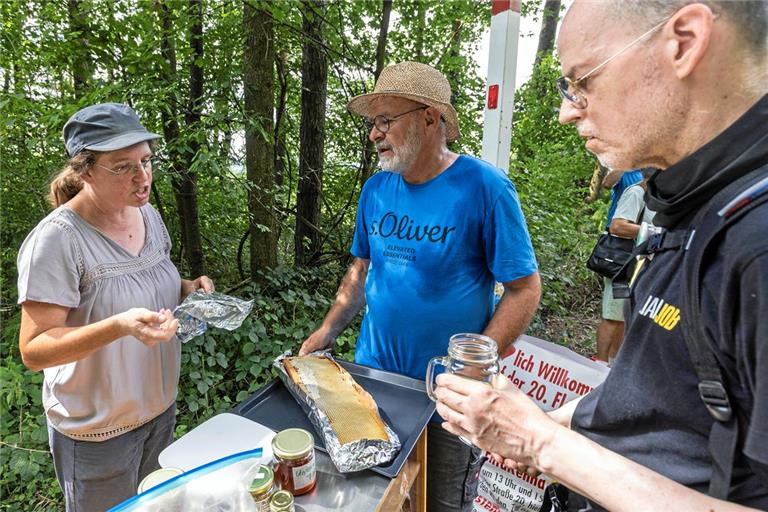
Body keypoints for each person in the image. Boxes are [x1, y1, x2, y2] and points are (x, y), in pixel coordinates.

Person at [434, 1, 767, 511]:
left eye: (582, 81)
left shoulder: (755, 241)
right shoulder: (695, 205)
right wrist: (551, 423)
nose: (568, 109)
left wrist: (541, 443)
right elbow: (660, 400)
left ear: (685, 41)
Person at [299, 61, 541, 511]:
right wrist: (327, 330)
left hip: (446, 399)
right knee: (380, 497)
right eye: (374, 123)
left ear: (431, 117)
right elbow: (361, 269)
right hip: (371, 385)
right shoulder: (376, 190)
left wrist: (474, 366)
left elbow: (525, 289)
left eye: (386, 120)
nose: (374, 133)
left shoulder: (485, 188)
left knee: (443, 503)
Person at [17, 103, 214, 511]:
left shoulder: (149, 217)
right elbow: (34, 349)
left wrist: (186, 288)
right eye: (123, 167)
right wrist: (118, 326)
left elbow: (142, 282)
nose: (143, 178)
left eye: (145, 160)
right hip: (97, 435)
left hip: (159, 413)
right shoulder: (57, 241)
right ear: (84, 171)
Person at [598, 167, 656, 364]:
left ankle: (613, 365)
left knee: (624, 315)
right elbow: (617, 225)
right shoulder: (636, 192)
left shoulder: (650, 197)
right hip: (622, 263)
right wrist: (653, 231)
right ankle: (598, 364)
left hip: (637, 263)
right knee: (613, 315)